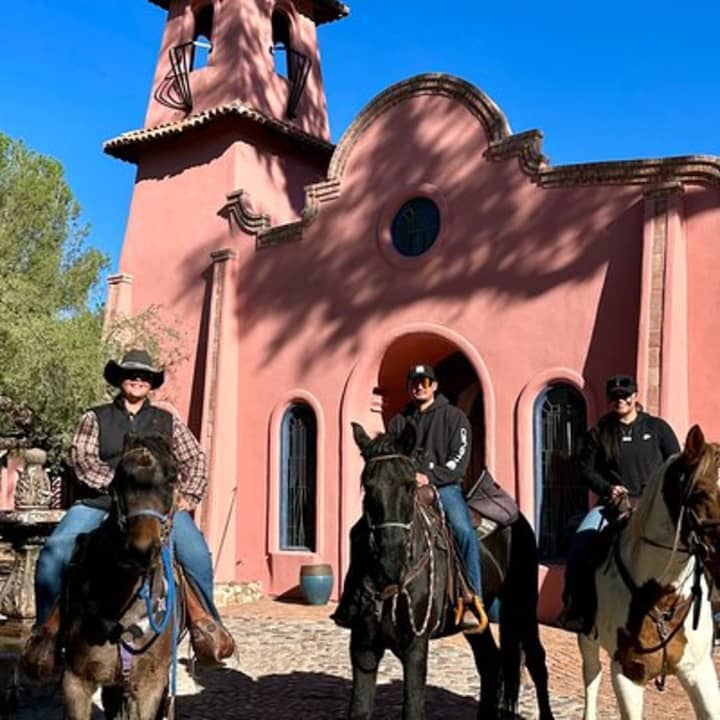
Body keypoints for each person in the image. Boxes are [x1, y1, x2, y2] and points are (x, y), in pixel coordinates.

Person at [24, 349, 234, 670]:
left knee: (196, 555)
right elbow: (83, 459)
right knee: (56, 550)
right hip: (101, 503)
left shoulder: (167, 421)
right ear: (120, 378)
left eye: (145, 376)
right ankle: (46, 637)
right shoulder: (95, 417)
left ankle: (204, 624)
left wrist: (187, 495)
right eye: (132, 374)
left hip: (155, 508)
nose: (138, 379)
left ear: (151, 384)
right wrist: (121, 487)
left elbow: (195, 460)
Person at [333, 363, 488, 633]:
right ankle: (353, 599)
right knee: (360, 531)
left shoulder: (455, 418)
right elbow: (393, 454)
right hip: (405, 487)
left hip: (444, 487)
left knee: (463, 530)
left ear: (434, 386)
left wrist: (429, 476)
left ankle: (471, 598)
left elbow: (458, 462)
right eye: (415, 383)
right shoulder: (400, 420)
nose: (419, 386)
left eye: (425, 382)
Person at [560, 373, 680, 633]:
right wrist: (608, 488)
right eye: (614, 396)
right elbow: (585, 470)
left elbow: (675, 462)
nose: (620, 400)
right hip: (613, 505)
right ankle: (577, 610)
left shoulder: (657, 428)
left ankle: (711, 610)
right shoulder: (599, 432)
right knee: (581, 540)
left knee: (693, 538)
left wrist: (657, 491)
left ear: (635, 396)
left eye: (625, 395)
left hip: (654, 505)